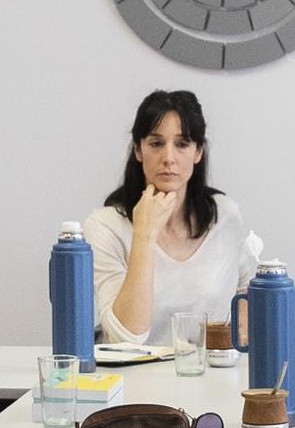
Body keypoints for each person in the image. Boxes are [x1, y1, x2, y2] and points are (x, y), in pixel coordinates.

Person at [85, 87, 257, 350]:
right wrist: (144, 235)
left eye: (182, 144)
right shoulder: (104, 226)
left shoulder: (225, 215)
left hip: (207, 370)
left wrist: (241, 336)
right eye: (156, 144)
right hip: (133, 373)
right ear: (138, 150)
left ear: (198, 152)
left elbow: (245, 285)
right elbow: (126, 337)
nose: (168, 158)